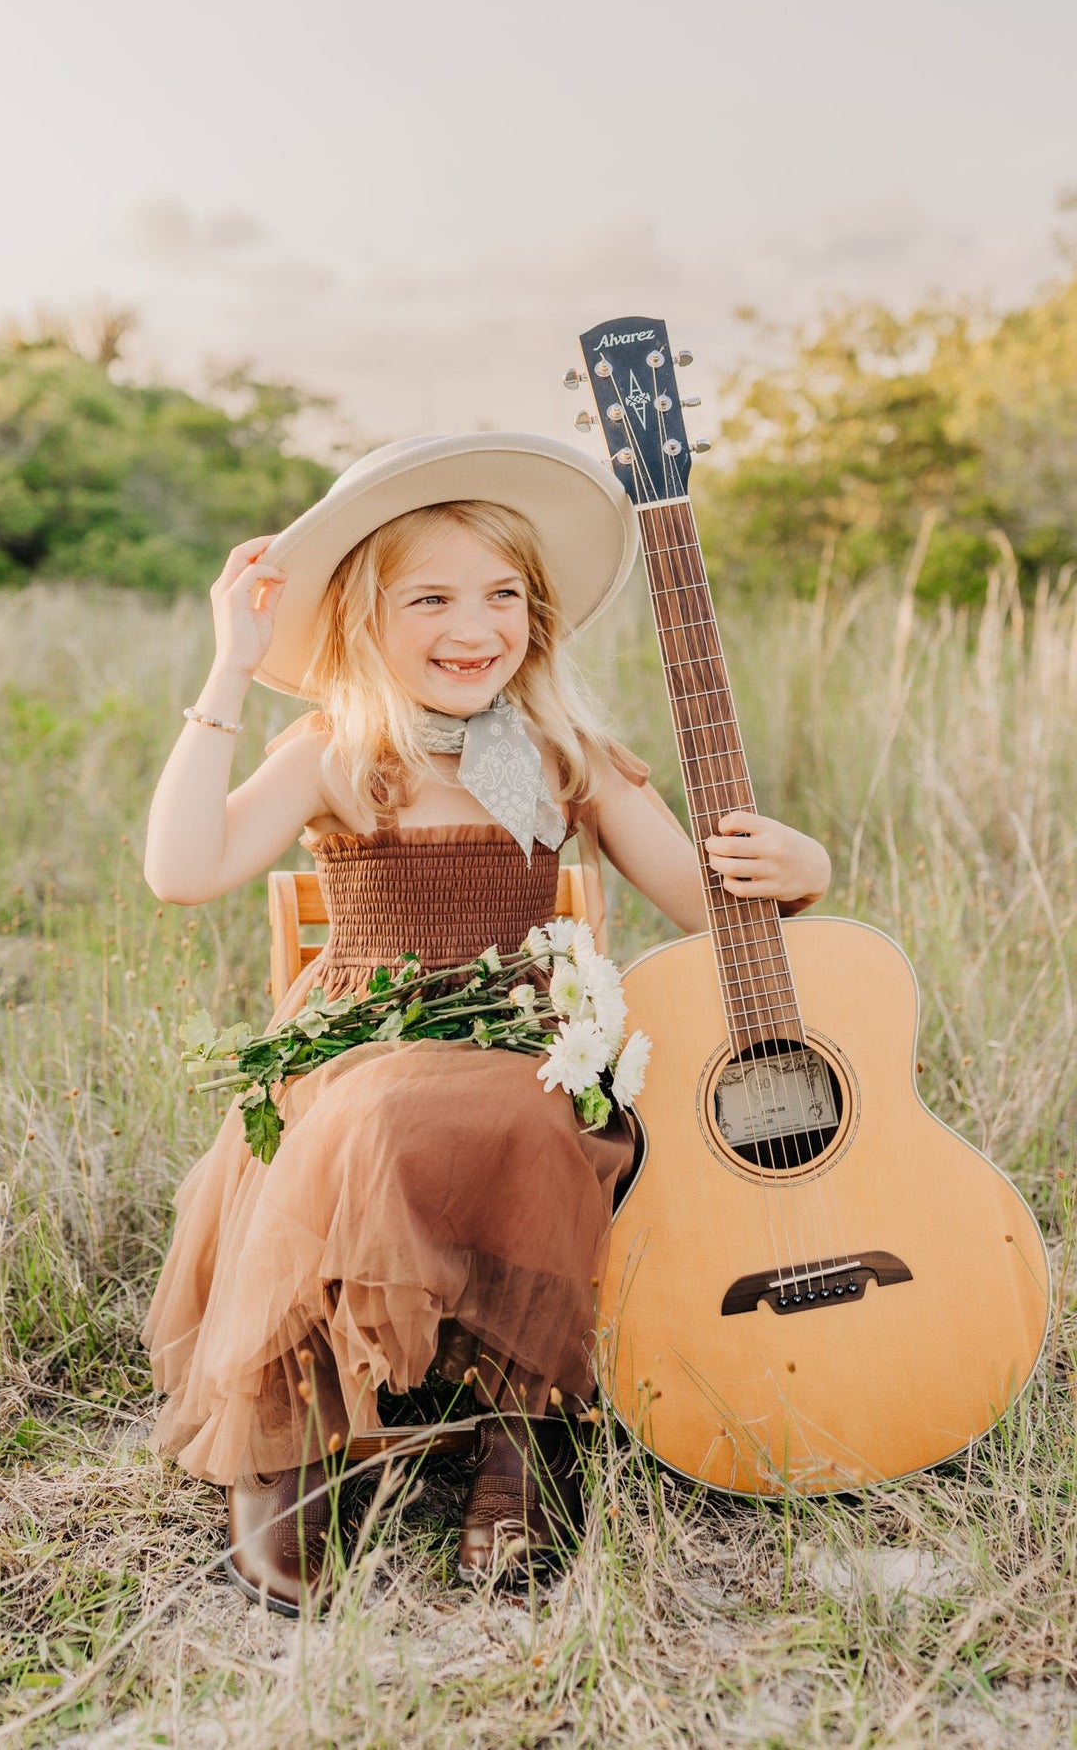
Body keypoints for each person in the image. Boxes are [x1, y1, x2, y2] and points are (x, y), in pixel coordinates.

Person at [141, 433, 830, 1615]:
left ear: (538, 614)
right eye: (433, 597)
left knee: (540, 1107)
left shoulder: (570, 760)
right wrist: (228, 674)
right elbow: (181, 868)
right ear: (366, 616)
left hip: (527, 1038)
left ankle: (525, 1434)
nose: (476, 625)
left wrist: (801, 866)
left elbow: (710, 903)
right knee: (371, 1111)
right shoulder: (338, 751)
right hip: (357, 1043)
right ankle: (299, 1427)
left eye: (503, 594)